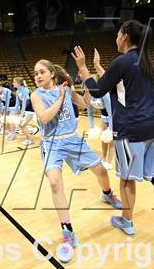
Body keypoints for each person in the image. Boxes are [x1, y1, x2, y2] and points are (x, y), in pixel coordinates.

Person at [72, 20, 154, 240]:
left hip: (132, 130)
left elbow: (96, 90)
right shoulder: (145, 61)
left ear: (124, 36)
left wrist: (83, 67)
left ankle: (127, 221)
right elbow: (116, 81)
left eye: (117, 34)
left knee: (126, 178)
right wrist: (97, 67)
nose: (116, 38)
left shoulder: (123, 61)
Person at [30, 59, 121, 263]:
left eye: (42, 72)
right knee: (54, 183)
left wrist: (85, 86)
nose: (38, 76)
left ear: (52, 74)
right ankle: (67, 229)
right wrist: (61, 98)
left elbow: (85, 103)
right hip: (51, 143)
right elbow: (44, 118)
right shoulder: (36, 95)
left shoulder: (66, 88)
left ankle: (107, 194)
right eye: (36, 73)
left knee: (101, 171)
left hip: (71, 139)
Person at [11, 77, 34, 146]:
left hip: (30, 108)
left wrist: (22, 114)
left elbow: (25, 102)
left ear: (18, 83)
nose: (13, 83)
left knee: (22, 124)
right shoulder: (18, 91)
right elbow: (17, 104)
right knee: (21, 124)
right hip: (26, 109)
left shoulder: (25, 90)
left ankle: (30, 140)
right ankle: (29, 139)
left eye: (14, 82)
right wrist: (14, 114)